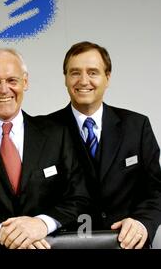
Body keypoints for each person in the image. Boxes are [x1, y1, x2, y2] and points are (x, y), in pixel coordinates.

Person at [0, 48, 90, 249]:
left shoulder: (57, 135)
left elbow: (79, 197)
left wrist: (42, 224)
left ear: (25, 82)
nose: (3, 89)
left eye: (12, 80)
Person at [47, 41, 161, 249]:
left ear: (107, 78)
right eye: (74, 73)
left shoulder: (137, 126)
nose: (83, 81)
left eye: (92, 72)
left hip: (126, 244)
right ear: (65, 78)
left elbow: (156, 190)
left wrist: (142, 224)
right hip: (65, 246)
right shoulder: (44, 131)